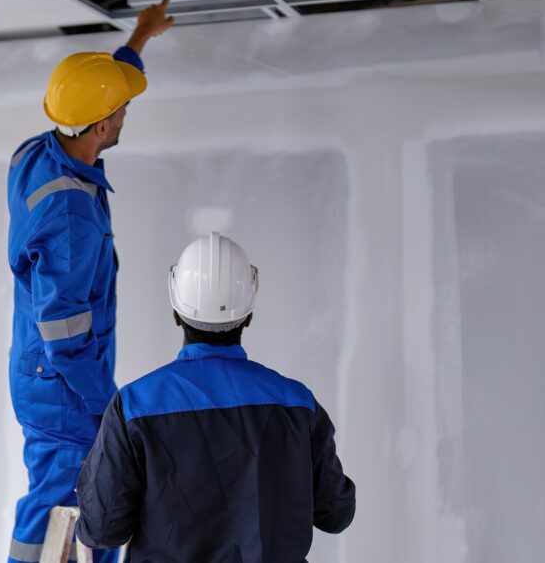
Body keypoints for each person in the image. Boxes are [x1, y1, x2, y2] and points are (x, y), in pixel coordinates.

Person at [5, 0, 173, 563]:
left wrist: (141, 36)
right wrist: (111, 409)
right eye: (121, 111)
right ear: (101, 126)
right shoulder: (70, 217)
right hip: (63, 386)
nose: (126, 114)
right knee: (65, 506)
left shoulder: (40, 151)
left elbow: (106, 83)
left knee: (86, 499)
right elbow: (64, 335)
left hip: (48, 375)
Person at [76, 232, 356, 562]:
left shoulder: (133, 407)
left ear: (176, 313)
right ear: (248, 314)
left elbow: (102, 529)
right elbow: (337, 514)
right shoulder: (299, 404)